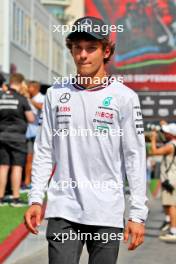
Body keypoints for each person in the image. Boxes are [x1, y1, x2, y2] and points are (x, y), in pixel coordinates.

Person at [25, 16, 148, 264]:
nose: (83, 55)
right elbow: (45, 150)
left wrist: (138, 214)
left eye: (91, 48)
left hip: (106, 211)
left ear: (106, 51)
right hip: (63, 208)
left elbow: (135, 157)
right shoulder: (56, 94)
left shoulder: (124, 97)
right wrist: (36, 199)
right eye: (77, 47)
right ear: (71, 50)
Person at [0, 73, 34, 207]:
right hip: (18, 138)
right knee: (17, 167)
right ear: (20, 83)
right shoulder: (21, 99)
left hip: (1, 136)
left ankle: (1, 198)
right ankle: (15, 198)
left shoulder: (1, 98)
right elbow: (31, 118)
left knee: (2, 167)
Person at [150, 123, 176, 241]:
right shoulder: (173, 144)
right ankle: (169, 223)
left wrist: (153, 139)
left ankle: (173, 231)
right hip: (171, 178)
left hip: (170, 180)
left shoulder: (170, 146)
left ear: (171, 134)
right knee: (168, 204)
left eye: (166, 132)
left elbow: (154, 151)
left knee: (171, 206)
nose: (164, 133)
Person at [23, 81, 44, 189]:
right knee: (29, 158)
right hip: (28, 133)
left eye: (29, 87)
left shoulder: (42, 97)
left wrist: (30, 100)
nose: (28, 89)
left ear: (35, 88)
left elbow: (42, 107)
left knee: (38, 159)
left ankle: (36, 183)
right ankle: (26, 182)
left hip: (39, 133)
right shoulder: (26, 98)